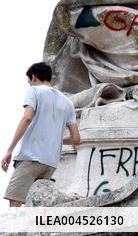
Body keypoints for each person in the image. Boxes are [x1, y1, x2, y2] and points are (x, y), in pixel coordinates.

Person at [2, 63, 80, 207]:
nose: (30, 85)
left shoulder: (35, 91)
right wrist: (55, 139)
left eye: (29, 82)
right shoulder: (68, 102)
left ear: (33, 77)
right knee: (34, 206)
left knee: (15, 205)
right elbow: (76, 139)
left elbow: (27, 118)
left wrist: (9, 150)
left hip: (31, 157)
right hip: (50, 163)